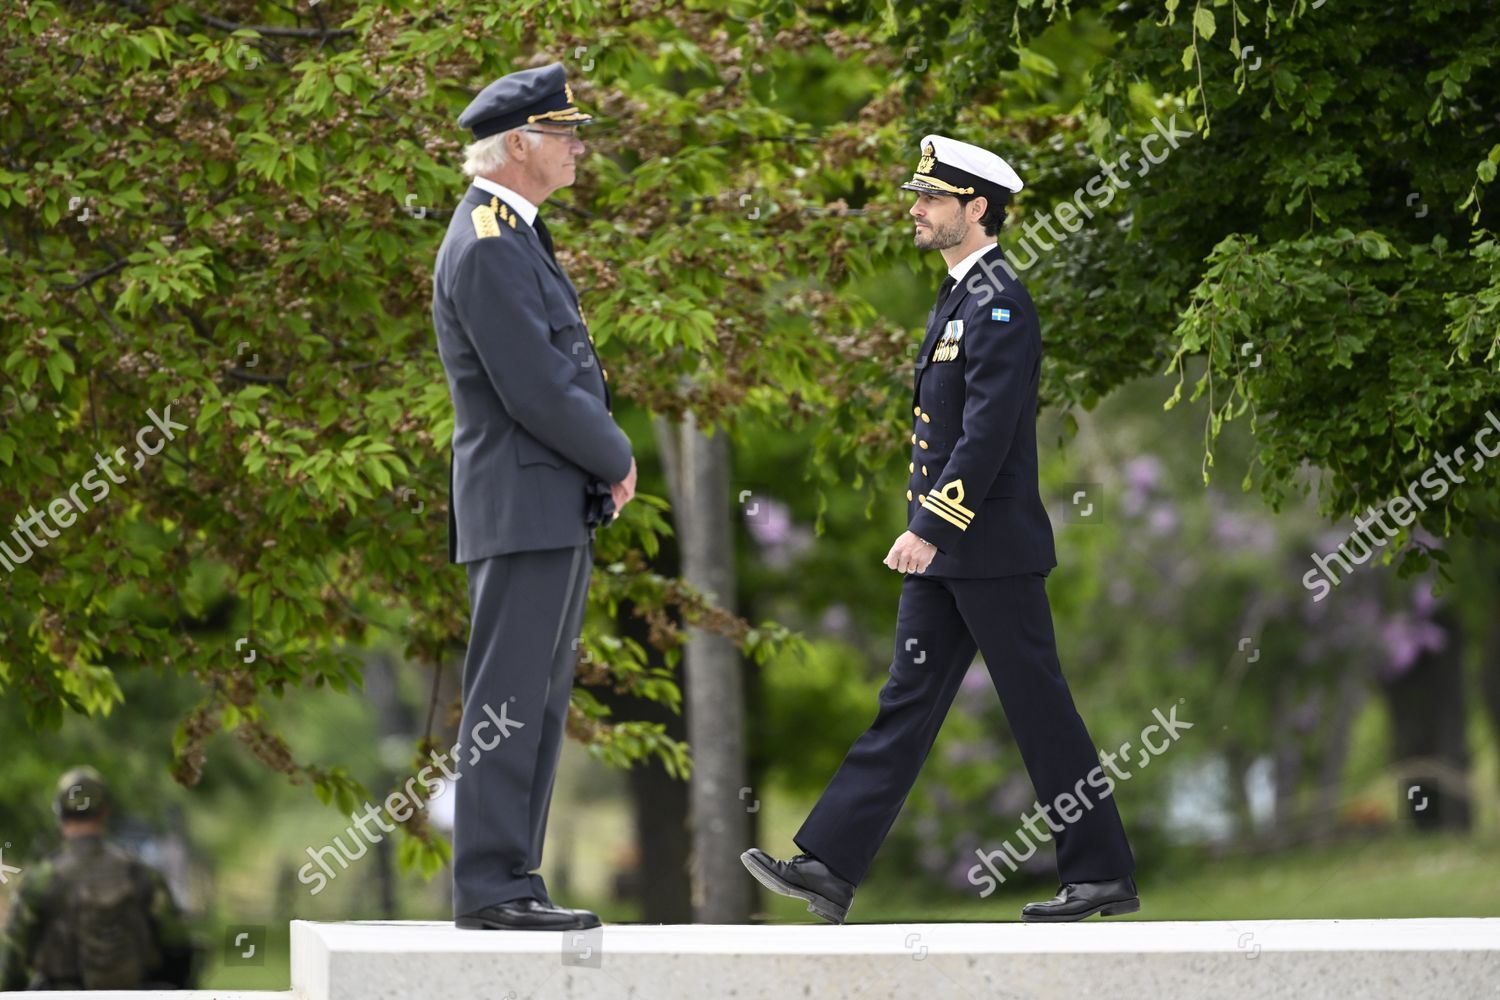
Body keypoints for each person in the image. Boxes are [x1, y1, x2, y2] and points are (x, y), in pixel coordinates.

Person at [742, 136, 1139, 923]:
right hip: (951, 555)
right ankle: (829, 866)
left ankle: (1099, 874)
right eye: (917, 197)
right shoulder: (960, 294)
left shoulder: (999, 300)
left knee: (1038, 708)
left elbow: (985, 435)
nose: (915, 210)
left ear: (977, 209)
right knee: (908, 698)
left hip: (984, 551)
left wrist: (931, 526)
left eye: (932, 199)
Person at [431, 61, 636, 931]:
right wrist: (618, 456)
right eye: (564, 134)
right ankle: (491, 887)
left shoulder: (511, 230)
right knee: (509, 701)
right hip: (523, 502)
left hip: (543, 501)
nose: (578, 147)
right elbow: (539, 389)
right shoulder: (485, 240)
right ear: (519, 145)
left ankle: (512, 878)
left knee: (538, 702)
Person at [0, 767, 197, 989]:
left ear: (60, 812)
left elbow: (15, 954)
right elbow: (177, 942)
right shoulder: (140, 872)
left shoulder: (42, 877)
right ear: (104, 811)